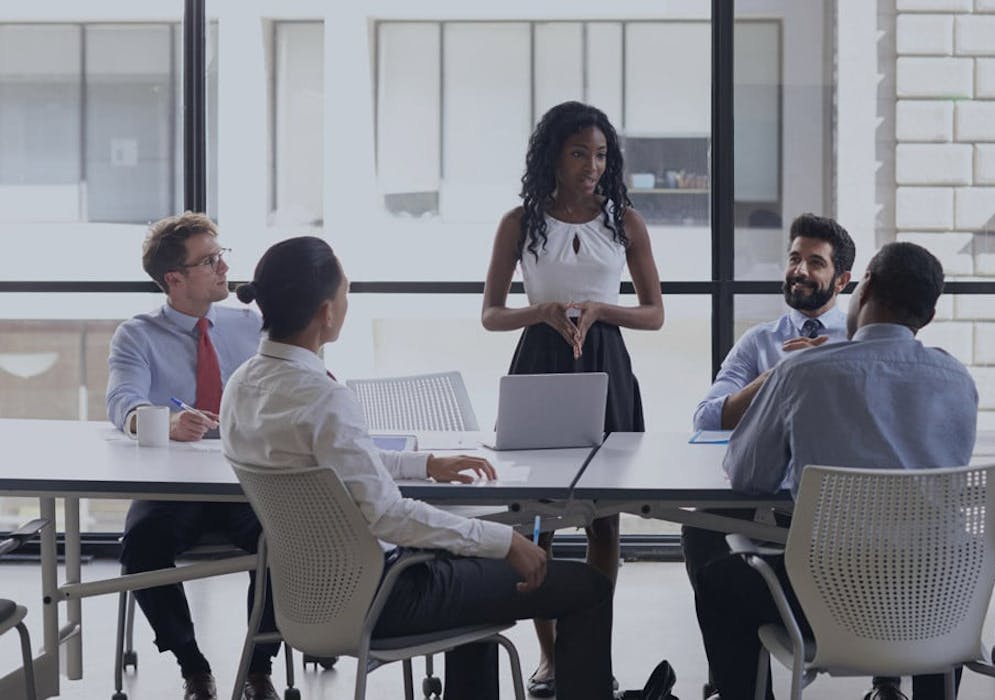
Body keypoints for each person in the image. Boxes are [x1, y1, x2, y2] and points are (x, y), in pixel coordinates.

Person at [221, 236, 616, 700]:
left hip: (305, 598)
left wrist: (425, 463)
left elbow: (332, 468)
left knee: (475, 572)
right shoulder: (324, 398)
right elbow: (388, 516)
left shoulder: (242, 385)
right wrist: (506, 540)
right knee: (586, 586)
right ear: (327, 312)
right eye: (346, 296)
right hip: (385, 596)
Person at [694, 242, 979, 700]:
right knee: (936, 568)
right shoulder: (957, 378)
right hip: (933, 601)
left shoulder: (802, 374)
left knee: (720, 581)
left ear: (863, 288)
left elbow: (749, 477)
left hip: (824, 597)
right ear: (925, 317)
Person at [482, 100, 663, 697]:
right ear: (553, 157)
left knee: (604, 519)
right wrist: (543, 311)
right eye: (580, 153)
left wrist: (601, 309)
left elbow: (655, 314)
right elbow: (490, 315)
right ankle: (551, 657)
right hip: (541, 363)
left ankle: (592, 653)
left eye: (601, 154)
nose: (592, 166)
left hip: (606, 364)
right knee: (537, 521)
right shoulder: (519, 222)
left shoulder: (625, 222)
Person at [105, 211, 275, 700]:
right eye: (210, 260)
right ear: (174, 279)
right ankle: (193, 668)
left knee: (286, 537)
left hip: (247, 481)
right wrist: (160, 421)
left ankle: (258, 666)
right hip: (173, 486)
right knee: (141, 545)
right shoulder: (137, 335)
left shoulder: (254, 327)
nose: (224, 268)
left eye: (222, 255)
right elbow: (123, 402)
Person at [692, 213, 855, 432]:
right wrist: (779, 374)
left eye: (815, 263)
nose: (800, 271)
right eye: (795, 259)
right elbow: (706, 422)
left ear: (841, 281)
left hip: (838, 465)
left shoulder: (858, 340)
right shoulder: (758, 340)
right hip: (770, 465)